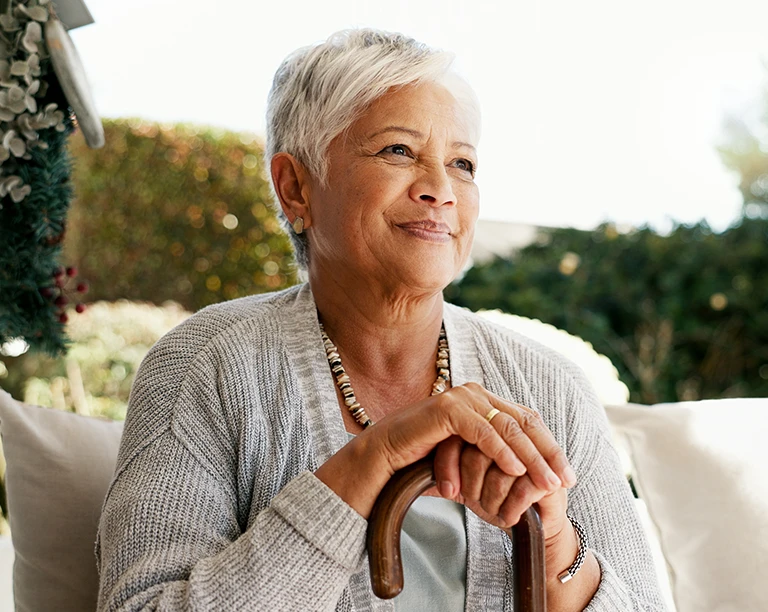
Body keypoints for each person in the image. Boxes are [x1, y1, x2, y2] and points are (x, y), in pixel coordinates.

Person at [96, 29, 665, 611]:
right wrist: (374, 457)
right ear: (296, 188)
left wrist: (552, 544)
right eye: (398, 151)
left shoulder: (551, 387)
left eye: (462, 163)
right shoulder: (204, 365)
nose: (441, 189)